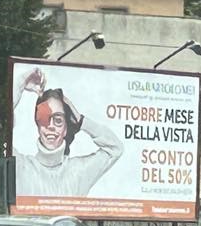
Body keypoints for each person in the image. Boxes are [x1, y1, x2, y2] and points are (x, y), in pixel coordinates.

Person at [12, 67, 122, 198]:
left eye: (58, 120)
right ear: (37, 125)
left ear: (65, 129)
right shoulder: (22, 167)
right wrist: (21, 83)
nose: (51, 126)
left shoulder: (78, 171)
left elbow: (115, 149)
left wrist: (81, 121)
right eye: (45, 119)